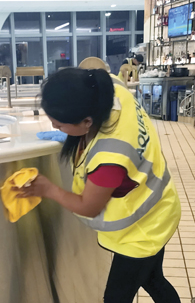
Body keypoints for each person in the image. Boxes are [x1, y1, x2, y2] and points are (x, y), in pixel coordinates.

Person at [14, 68, 181, 303]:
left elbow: (88, 206)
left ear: (87, 121)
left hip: (143, 232)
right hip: (161, 207)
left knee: (115, 298)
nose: (55, 129)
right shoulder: (108, 89)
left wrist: (49, 189)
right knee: (153, 279)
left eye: (60, 126)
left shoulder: (109, 159)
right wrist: (80, 136)